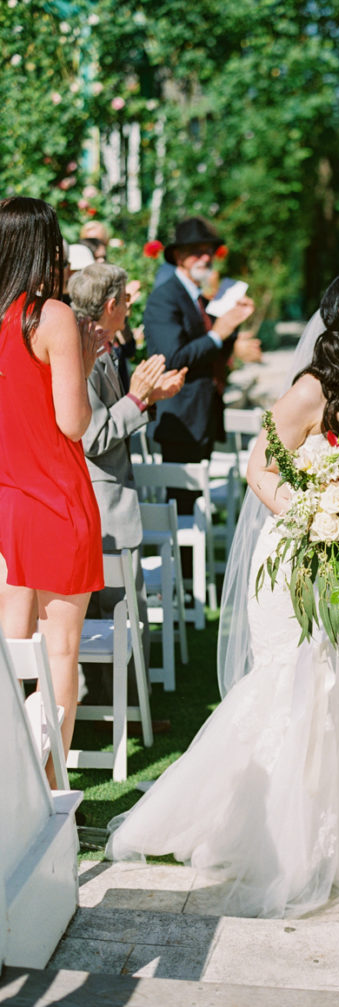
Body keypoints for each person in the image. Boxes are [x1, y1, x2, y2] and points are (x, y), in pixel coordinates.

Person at [106, 267, 339, 917]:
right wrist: (315, 518)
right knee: (290, 684)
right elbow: (260, 466)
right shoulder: (314, 388)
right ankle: (268, 833)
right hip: (297, 556)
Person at [0, 196, 105, 786]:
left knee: (7, 653)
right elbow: (73, 421)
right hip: (56, 499)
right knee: (59, 653)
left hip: (5, 498)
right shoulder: (51, 316)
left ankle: (7, 787)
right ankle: (49, 787)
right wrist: (84, 364)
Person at [69, 263, 186, 700]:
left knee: (119, 607)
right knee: (117, 608)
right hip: (101, 504)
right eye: (126, 298)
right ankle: (120, 709)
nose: (131, 304)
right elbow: (93, 436)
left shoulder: (107, 347)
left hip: (109, 502)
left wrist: (151, 397)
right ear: (112, 304)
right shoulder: (81, 354)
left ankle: (122, 704)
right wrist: (138, 398)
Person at [143, 216, 258, 468]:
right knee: (182, 503)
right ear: (179, 256)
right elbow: (171, 358)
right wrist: (218, 333)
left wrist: (234, 326)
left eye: (209, 251)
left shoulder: (197, 297)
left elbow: (210, 346)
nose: (206, 258)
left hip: (202, 415)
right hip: (180, 420)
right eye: (196, 252)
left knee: (197, 502)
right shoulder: (166, 297)